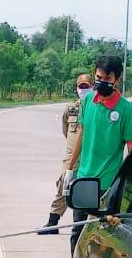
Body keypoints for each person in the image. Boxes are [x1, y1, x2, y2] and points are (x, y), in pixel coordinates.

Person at [52, 55, 132, 258]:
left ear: (117, 80)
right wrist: (70, 168)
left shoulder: (125, 110)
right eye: (98, 78)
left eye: (107, 79)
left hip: (107, 184)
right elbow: (80, 133)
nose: (102, 82)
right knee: (78, 231)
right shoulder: (88, 100)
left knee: (106, 235)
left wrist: (125, 182)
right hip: (84, 180)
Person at [39, 73, 93, 234]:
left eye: (87, 86)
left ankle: (88, 226)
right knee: (64, 183)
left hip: (91, 156)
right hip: (71, 156)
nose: (83, 89)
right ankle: (53, 221)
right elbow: (66, 130)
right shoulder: (71, 108)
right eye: (80, 86)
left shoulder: (97, 108)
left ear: (93, 87)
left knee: (91, 190)